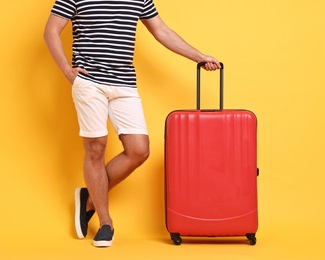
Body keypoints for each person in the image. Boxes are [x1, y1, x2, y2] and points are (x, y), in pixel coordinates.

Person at [43, 0, 221, 247]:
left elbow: (161, 31)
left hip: (124, 83)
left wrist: (199, 57)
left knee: (138, 149)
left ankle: (89, 199)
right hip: (88, 81)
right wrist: (66, 70)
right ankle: (106, 223)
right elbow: (51, 30)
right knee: (96, 147)